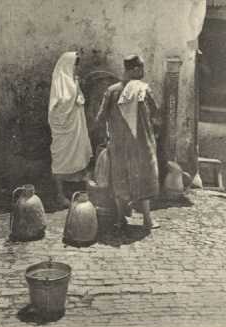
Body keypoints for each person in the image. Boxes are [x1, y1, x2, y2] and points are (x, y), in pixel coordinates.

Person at [95, 55, 162, 231]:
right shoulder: (144, 90)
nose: (143, 72)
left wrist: (108, 136)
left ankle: (119, 219)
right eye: (141, 69)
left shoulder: (111, 91)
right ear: (135, 69)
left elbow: (100, 118)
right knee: (145, 177)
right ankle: (147, 220)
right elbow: (157, 116)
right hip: (141, 144)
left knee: (119, 178)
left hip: (118, 144)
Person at [48, 52, 92, 208]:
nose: (77, 68)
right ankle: (59, 195)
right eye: (75, 65)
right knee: (60, 159)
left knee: (79, 155)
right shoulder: (60, 81)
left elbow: (80, 98)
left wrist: (77, 91)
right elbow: (58, 106)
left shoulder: (74, 81)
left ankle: (86, 191)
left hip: (76, 127)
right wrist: (74, 95)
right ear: (67, 65)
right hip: (63, 127)